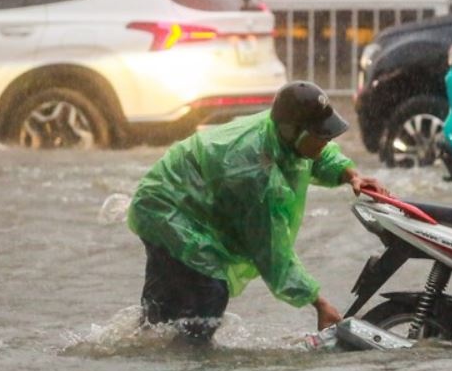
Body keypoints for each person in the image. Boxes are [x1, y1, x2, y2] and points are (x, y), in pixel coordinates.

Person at [127, 80, 387, 342]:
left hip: (182, 199)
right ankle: (193, 365)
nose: (328, 139)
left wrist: (351, 175)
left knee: (162, 311)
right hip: (164, 207)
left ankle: (146, 351)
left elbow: (317, 155)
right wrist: (318, 303)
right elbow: (272, 253)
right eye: (321, 134)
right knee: (210, 291)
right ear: (293, 131)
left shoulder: (282, 136)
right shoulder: (255, 174)